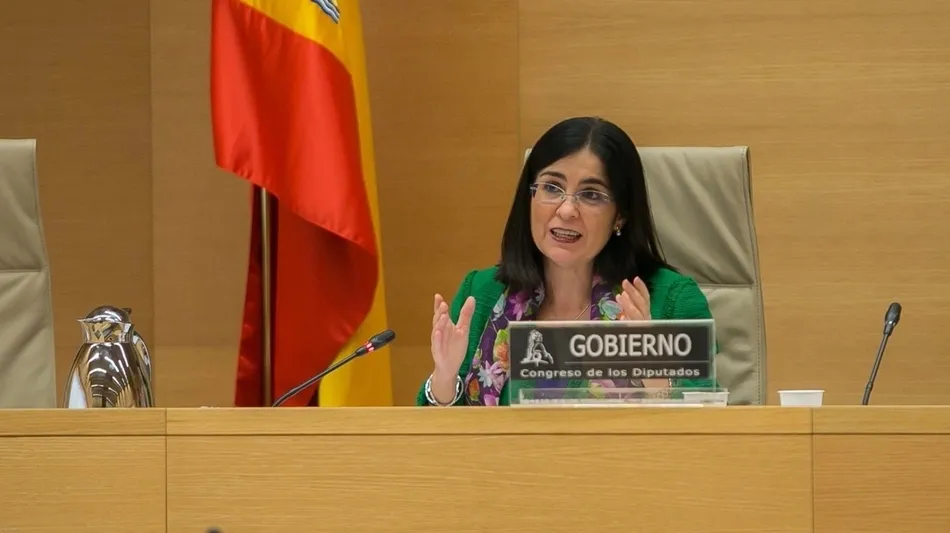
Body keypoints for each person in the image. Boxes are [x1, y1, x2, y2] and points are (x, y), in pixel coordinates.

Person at [417, 116, 717, 407]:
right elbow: (436, 441)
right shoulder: (481, 293)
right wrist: (444, 377)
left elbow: (707, 430)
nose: (567, 210)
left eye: (590, 194)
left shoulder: (673, 300)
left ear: (621, 215)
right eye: (551, 188)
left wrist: (653, 372)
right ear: (529, 198)